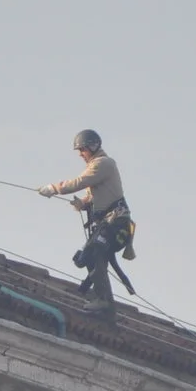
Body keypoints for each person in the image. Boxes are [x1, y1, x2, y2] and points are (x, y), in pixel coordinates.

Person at [40, 129, 136, 305]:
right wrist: (84, 204)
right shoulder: (99, 167)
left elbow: (79, 182)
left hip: (115, 222)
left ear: (92, 147)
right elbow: (95, 196)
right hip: (111, 223)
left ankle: (103, 301)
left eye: (82, 150)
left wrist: (54, 188)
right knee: (88, 257)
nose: (80, 154)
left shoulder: (103, 164)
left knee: (95, 252)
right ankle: (102, 300)